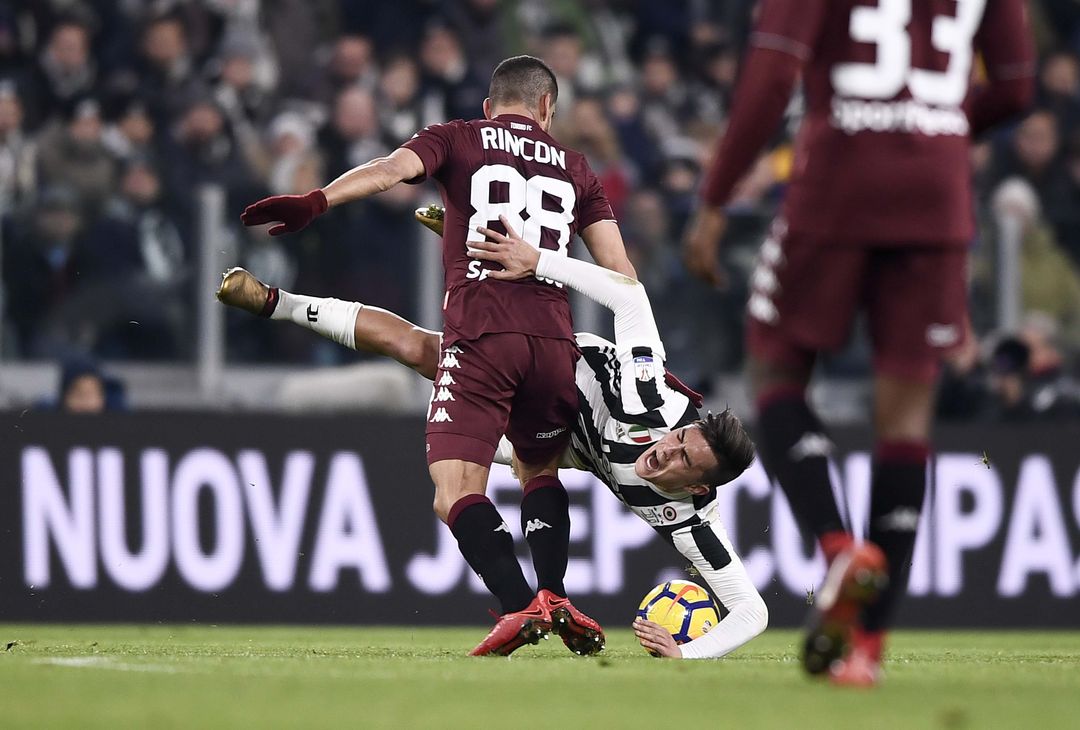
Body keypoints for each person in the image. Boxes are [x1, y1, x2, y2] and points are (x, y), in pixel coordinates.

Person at [217, 210, 766, 659]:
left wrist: (687, 655)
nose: (663, 451)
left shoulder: (690, 521)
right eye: (678, 439)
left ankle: (475, 253)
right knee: (417, 351)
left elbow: (752, 611)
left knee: (462, 484)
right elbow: (629, 295)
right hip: (556, 370)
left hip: (568, 442)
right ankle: (277, 300)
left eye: (681, 461)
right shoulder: (647, 397)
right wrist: (543, 261)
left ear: (698, 488)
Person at [682, 0, 1035, 686]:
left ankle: (840, 547)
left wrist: (717, 196)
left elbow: (772, 72)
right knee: (905, 415)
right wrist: (943, 129)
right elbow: (1018, 86)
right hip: (937, 195)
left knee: (774, 363)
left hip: (836, 184)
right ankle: (867, 650)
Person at [239, 56, 637, 656]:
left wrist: (316, 201)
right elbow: (621, 275)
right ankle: (554, 594)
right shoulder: (577, 167)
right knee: (539, 471)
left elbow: (390, 171)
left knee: (454, 490)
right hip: (556, 343)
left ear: (489, 105)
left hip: (482, 337)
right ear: (547, 109)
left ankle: (516, 604)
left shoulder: (458, 137)